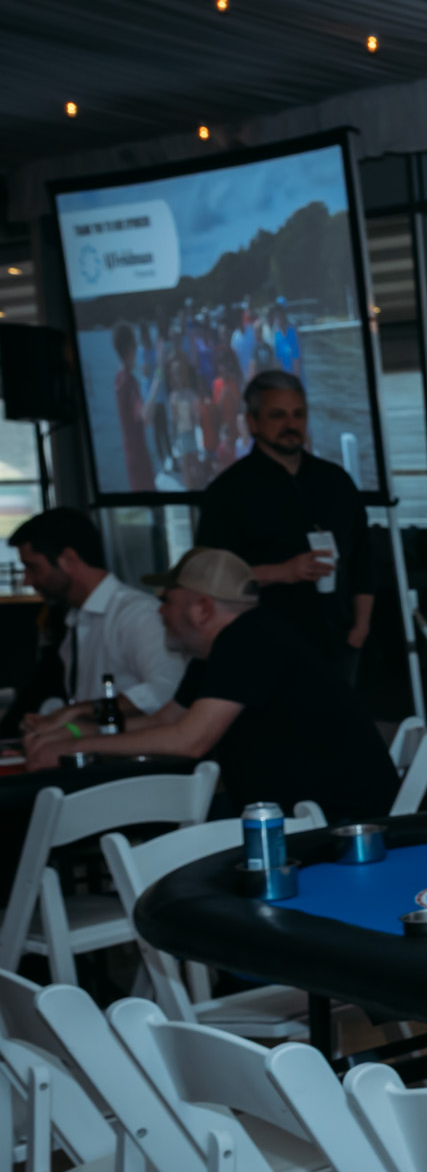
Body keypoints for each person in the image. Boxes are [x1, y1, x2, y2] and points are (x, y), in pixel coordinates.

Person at [26, 547, 398, 821]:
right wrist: (73, 733)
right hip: (301, 812)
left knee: (170, 834)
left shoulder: (249, 639)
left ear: (201, 608)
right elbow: (165, 720)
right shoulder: (222, 648)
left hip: (339, 822)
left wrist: (76, 746)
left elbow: (190, 740)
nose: (158, 611)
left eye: (166, 601)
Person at [195, 370, 373, 670]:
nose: (291, 425)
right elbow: (209, 576)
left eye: (298, 414)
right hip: (263, 647)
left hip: (339, 643)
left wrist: (361, 627)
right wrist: (281, 572)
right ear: (253, 422)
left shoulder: (335, 481)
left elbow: (364, 558)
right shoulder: (228, 491)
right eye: (278, 415)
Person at [10, 507, 183, 748]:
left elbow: (167, 690)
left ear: (68, 559)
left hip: (139, 768)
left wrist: (77, 712)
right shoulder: (76, 618)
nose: (27, 581)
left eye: (33, 567)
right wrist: (53, 719)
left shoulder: (137, 613)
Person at [110, 320, 154, 491]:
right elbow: (145, 417)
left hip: (130, 457)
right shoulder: (130, 381)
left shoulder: (118, 378)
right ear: (130, 349)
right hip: (140, 457)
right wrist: (158, 378)